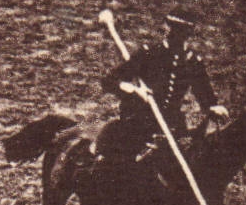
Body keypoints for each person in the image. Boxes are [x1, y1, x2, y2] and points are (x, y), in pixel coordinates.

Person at [97, 9, 227, 176]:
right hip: (139, 119)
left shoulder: (193, 61)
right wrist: (134, 90)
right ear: (167, 28)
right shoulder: (150, 53)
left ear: (189, 32)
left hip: (172, 124)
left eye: (181, 30)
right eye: (172, 27)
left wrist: (213, 107)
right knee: (121, 165)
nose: (174, 33)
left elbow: (204, 93)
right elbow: (110, 81)